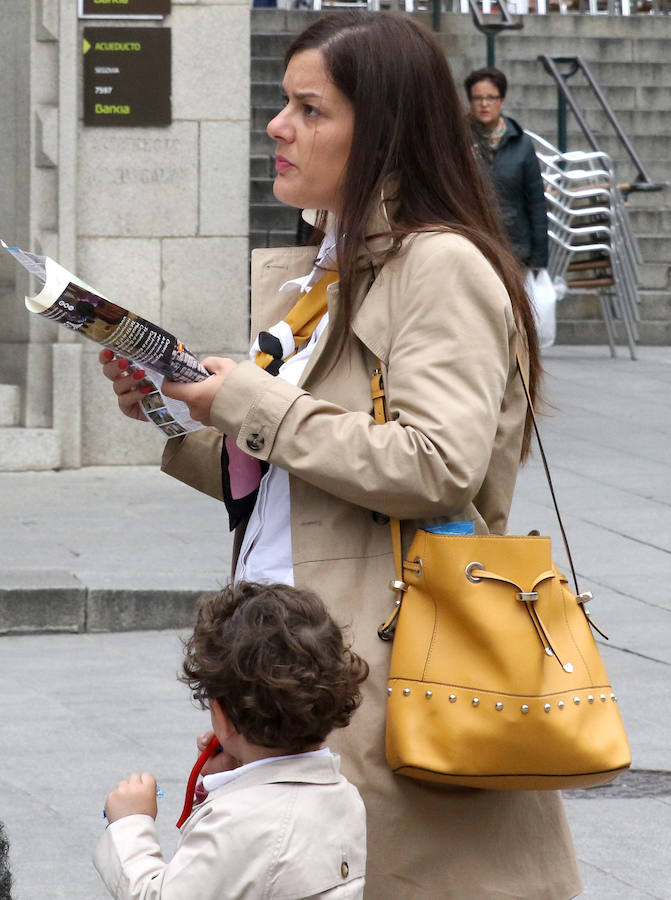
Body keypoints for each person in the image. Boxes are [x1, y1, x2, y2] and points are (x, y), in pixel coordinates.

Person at [98, 12, 581, 898]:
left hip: (401, 672)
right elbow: (297, 482)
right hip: (315, 669)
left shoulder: (438, 266)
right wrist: (174, 414)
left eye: (309, 109)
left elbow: (436, 464)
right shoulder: (331, 269)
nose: (278, 128)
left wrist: (248, 397)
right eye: (283, 105)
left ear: (383, 130)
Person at [94, 581, 369, 900]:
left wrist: (130, 824)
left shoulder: (239, 821)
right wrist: (228, 780)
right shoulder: (346, 798)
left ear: (221, 716)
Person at [465, 66, 549, 272]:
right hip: (472, 248)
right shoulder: (459, 142)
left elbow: (536, 202)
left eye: (491, 97)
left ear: (501, 101)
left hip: (515, 251)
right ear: (470, 102)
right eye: (478, 98)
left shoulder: (521, 144)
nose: (484, 104)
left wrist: (539, 260)